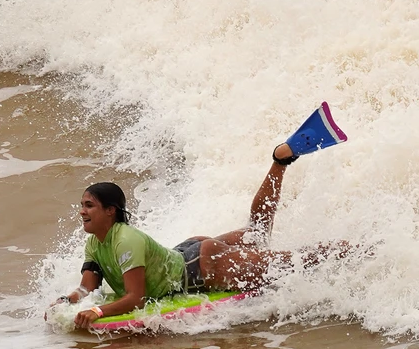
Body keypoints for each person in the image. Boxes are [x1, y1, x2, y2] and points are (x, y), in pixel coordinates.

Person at [57, 140, 347, 329]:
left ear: (110, 211)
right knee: (257, 230)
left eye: (89, 205)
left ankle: (357, 250)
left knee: (295, 262)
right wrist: (70, 300)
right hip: (189, 252)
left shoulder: (125, 240)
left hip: (202, 268)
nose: (82, 211)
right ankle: (280, 161)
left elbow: (136, 297)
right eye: (82, 205)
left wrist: (98, 312)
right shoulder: (95, 243)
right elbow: (87, 287)